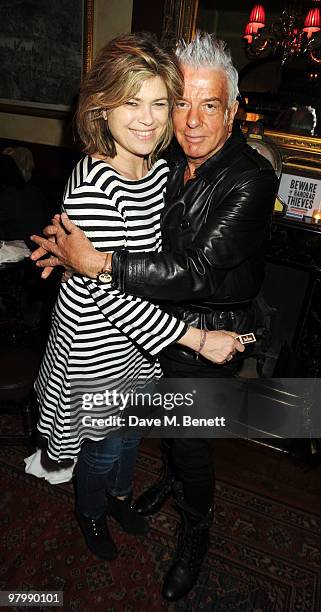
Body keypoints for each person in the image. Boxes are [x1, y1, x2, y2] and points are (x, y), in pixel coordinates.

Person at [31, 32, 277, 601]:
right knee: (107, 443)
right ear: (103, 107)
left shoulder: (196, 173)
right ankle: (95, 510)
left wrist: (97, 260)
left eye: (161, 104)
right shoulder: (126, 171)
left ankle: (163, 518)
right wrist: (193, 337)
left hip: (162, 338)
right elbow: (108, 292)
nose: (171, 120)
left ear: (232, 110)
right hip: (107, 344)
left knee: (151, 435)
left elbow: (189, 266)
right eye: (174, 102)